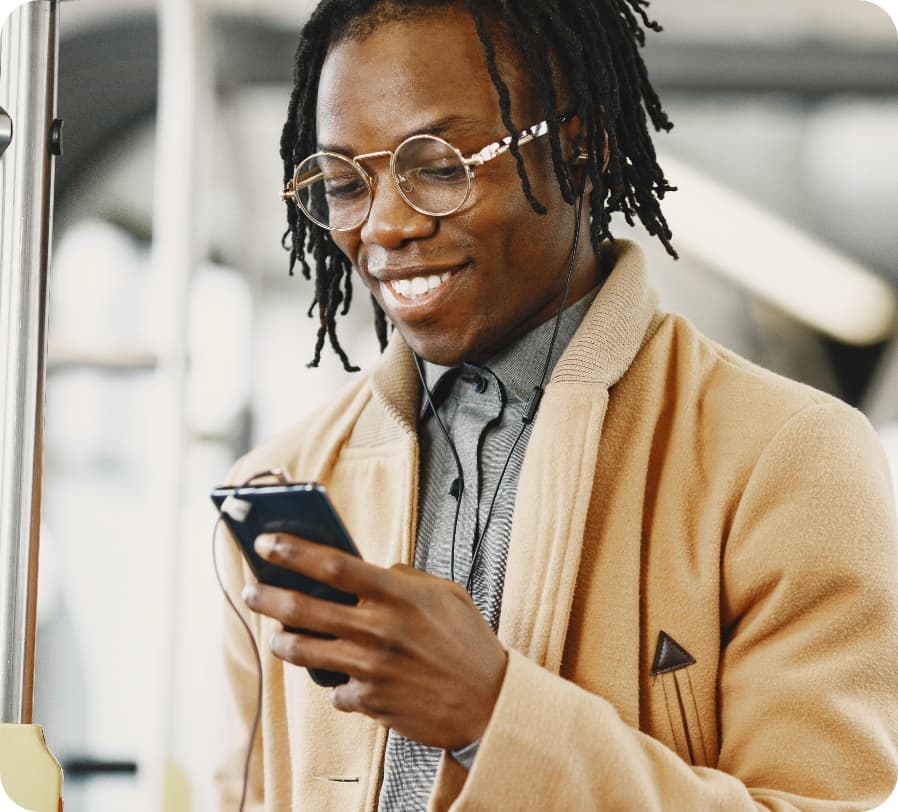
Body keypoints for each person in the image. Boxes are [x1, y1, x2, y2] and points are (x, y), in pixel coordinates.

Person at [214, 1, 898, 809]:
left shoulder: (787, 458)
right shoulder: (287, 481)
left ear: (581, 148)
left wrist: (496, 716)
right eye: (343, 183)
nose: (385, 225)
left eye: (438, 166)